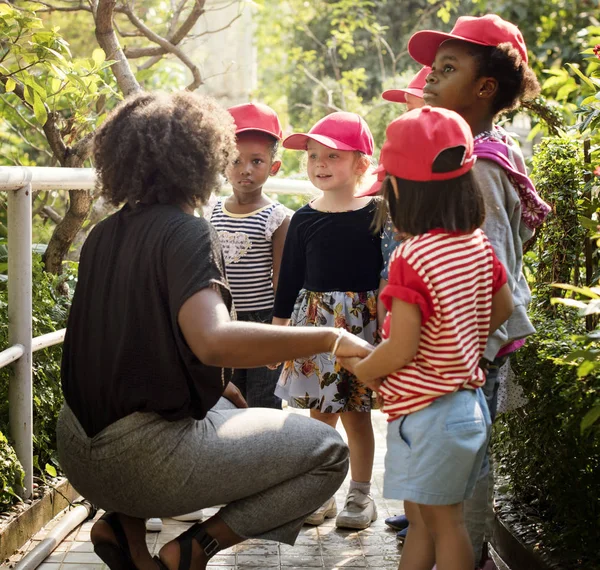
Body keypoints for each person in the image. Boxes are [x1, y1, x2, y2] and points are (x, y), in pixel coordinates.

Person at [56, 91, 376, 570]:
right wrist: (332, 338)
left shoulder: (105, 232)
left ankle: (123, 529)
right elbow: (213, 340)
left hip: (79, 450)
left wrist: (222, 384)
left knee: (224, 401)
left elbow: (134, 338)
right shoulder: (186, 230)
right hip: (141, 460)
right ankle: (193, 549)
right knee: (329, 452)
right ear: (204, 157)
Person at [341, 105, 514, 570]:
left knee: (444, 525)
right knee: (425, 521)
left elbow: (402, 348)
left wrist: (359, 366)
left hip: (429, 416)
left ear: (399, 190)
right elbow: (504, 307)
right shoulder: (476, 244)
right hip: (465, 406)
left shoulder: (412, 256)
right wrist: (460, 342)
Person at [407, 13, 550, 567]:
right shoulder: (473, 153)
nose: (429, 79)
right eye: (431, 68)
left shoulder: (479, 167)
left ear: (485, 87)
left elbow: (486, 279)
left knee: (463, 472)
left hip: (470, 351)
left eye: (447, 68)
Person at [271, 111, 382, 530]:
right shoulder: (303, 218)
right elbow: (289, 281)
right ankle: (323, 495)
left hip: (362, 329)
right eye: (313, 155)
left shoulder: (378, 214)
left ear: (361, 164)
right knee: (320, 417)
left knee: (357, 414)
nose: (320, 163)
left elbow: (391, 275)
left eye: (333, 156)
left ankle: (361, 495)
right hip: (316, 328)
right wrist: (278, 334)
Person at [208, 102, 290, 409]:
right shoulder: (210, 211)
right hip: (221, 320)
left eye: (257, 161)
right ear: (222, 162)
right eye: (236, 160)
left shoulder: (277, 217)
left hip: (263, 323)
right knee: (227, 400)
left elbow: (281, 279)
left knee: (263, 402)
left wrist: (279, 335)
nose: (245, 169)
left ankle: (267, 457)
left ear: (274, 166)